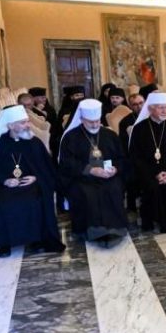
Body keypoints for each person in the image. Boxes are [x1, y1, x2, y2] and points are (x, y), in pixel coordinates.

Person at [0, 105, 65, 257]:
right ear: (10, 126)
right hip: (6, 187)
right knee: (4, 202)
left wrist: (35, 177)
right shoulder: (0, 143)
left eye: (27, 121)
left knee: (34, 200)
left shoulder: (34, 142)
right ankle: (5, 243)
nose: (28, 125)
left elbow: (47, 169)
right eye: (23, 122)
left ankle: (35, 239)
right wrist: (5, 181)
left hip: (32, 185)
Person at [58, 99, 128, 246]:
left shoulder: (110, 135)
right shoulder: (71, 137)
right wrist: (90, 170)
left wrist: (115, 168)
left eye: (97, 121)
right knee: (86, 192)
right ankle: (90, 231)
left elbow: (121, 158)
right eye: (91, 122)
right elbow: (67, 163)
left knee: (114, 187)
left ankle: (115, 228)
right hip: (82, 178)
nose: (95, 125)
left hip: (108, 176)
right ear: (82, 119)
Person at [129, 92, 166, 233]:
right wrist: (155, 174)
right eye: (161, 108)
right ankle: (157, 221)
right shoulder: (139, 129)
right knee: (152, 185)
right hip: (147, 173)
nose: (165, 111)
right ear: (150, 109)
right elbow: (136, 158)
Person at [119, 92, 145, 211]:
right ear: (130, 106)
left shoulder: (152, 116)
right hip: (134, 157)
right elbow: (123, 146)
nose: (139, 106)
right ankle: (132, 208)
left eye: (141, 103)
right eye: (135, 104)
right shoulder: (125, 122)